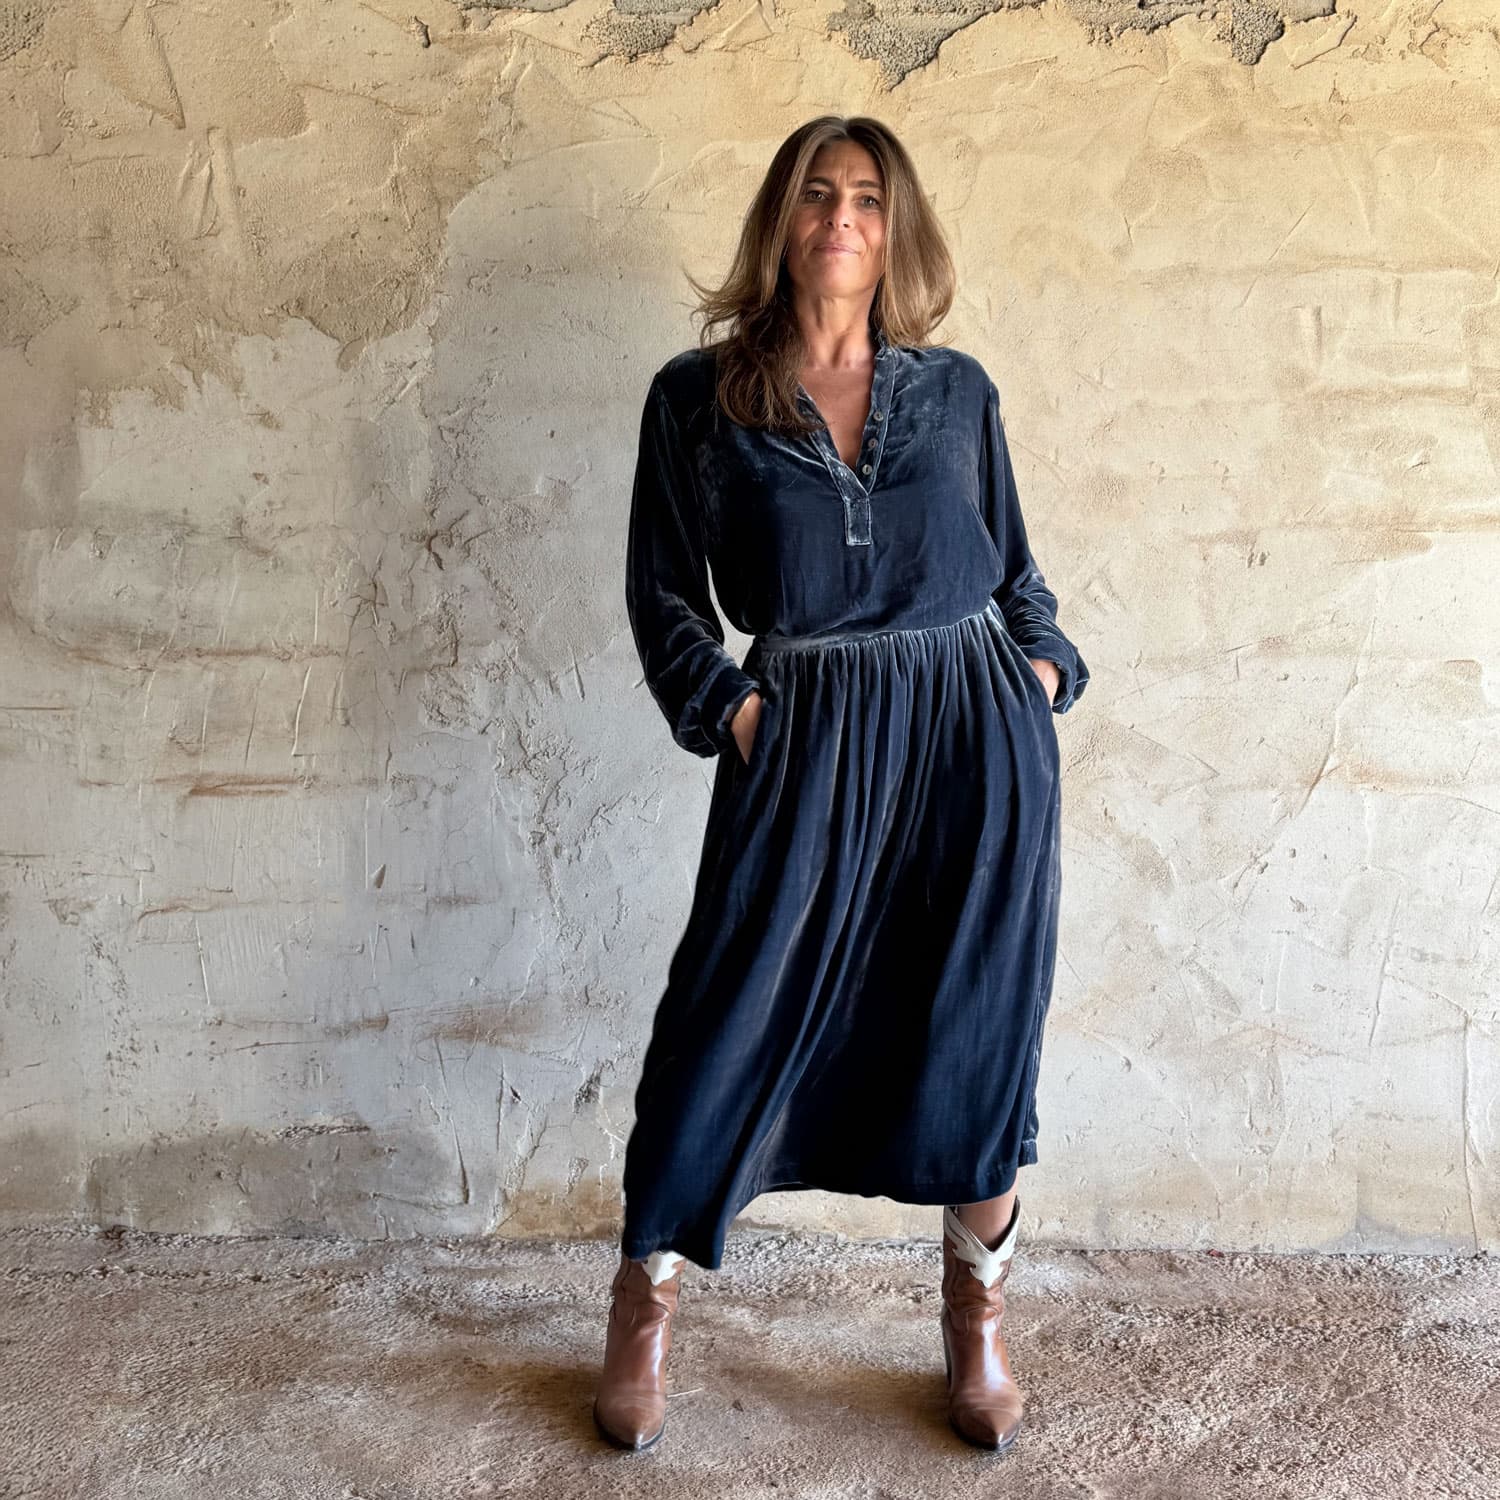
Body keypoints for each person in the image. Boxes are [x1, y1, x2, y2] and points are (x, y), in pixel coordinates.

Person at [594, 115, 1090, 1456]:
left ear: (894, 228)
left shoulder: (957, 391)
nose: (841, 218)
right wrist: (739, 713)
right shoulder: (698, 400)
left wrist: (1040, 676)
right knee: (726, 1017)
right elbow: (664, 598)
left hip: (972, 741)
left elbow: (1016, 570)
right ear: (783, 219)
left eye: (868, 198)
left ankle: (975, 1327)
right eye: (817, 194)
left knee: (977, 1021)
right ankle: (643, 1307)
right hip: (807, 742)